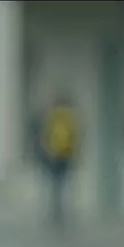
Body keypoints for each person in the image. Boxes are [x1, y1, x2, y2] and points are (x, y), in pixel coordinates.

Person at [40, 94, 80, 234]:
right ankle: (65, 214)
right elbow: (76, 138)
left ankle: (55, 213)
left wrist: (47, 152)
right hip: (67, 156)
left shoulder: (53, 117)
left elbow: (46, 137)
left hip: (55, 156)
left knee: (55, 186)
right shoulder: (71, 117)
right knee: (65, 186)